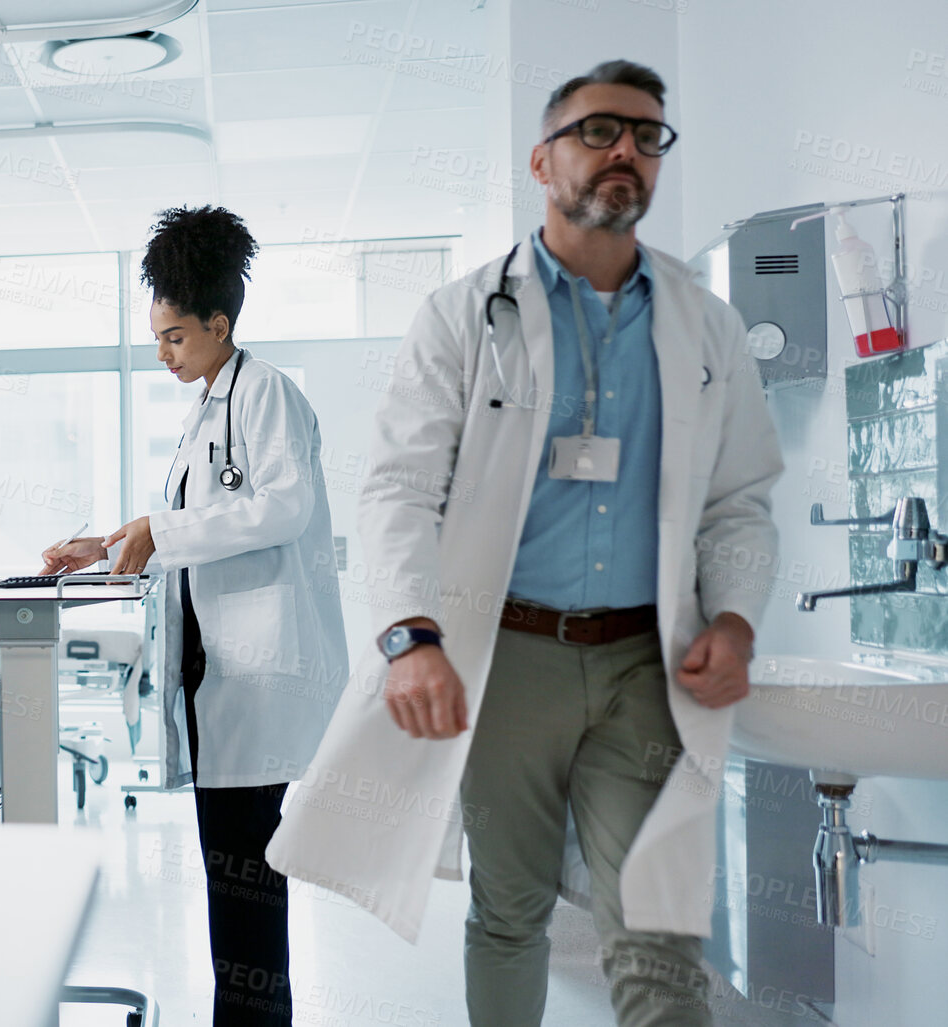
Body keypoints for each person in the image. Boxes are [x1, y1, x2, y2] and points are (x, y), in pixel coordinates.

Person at [265, 61, 784, 1027]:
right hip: (506, 661)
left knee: (654, 927)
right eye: (598, 130)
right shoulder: (465, 314)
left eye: (646, 134)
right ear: (542, 160)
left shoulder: (702, 324)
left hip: (642, 661)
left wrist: (740, 616)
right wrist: (410, 637)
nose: (625, 149)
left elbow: (740, 497)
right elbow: (399, 488)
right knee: (509, 910)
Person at [40, 206, 348, 1027]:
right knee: (235, 884)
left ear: (218, 324)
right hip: (221, 676)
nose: (162, 352)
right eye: (158, 336)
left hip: (257, 678)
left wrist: (156, 531)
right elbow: (187, 527)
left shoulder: (266, 394)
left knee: (246, 888)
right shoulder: (209, 407)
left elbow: (281, 507)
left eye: (175, 336)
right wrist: (106, 545)